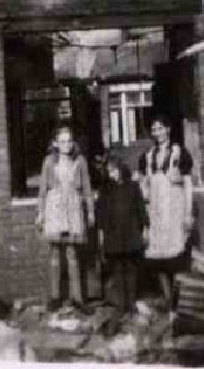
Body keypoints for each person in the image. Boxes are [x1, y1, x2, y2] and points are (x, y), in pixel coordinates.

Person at [138, 115, 194, 319]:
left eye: (161, 128)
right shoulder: (148, 156)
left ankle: (179, 306)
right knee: (159, 260)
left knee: (176, 260)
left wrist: (188, 213)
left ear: (168, 129)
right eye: (154, 129)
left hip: (175, 212)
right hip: (157, 214)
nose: (157, 133)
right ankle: (169, 302)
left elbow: (188, 184)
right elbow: (144, 188)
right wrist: (145, 215)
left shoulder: (180, 153)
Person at [36, 126, 95, 312]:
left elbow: (86, 188)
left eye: (69, 140)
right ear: (55, 143)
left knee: (72, 254)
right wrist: (41, 213)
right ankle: (55, 297)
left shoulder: (80, 160)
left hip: (73, 210)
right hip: (54, 209)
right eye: (62, 141)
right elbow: (43, 190)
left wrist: (91, 211)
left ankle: (77, 298)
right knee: (54, 253)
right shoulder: (48, 162)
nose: (66, 145)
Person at [96, 152, 149, 317]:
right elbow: (101, 214)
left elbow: (141, 208)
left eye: (114, 170)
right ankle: (121, 305)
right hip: (114, 234)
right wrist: (101, 235)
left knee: (131, 268)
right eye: (109, 172)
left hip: (131, 232)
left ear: (120, 168)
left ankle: (131, 303)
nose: (112, 174)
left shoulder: (132, 186)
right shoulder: (105, 189)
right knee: (118, 269)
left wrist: (146, 228)